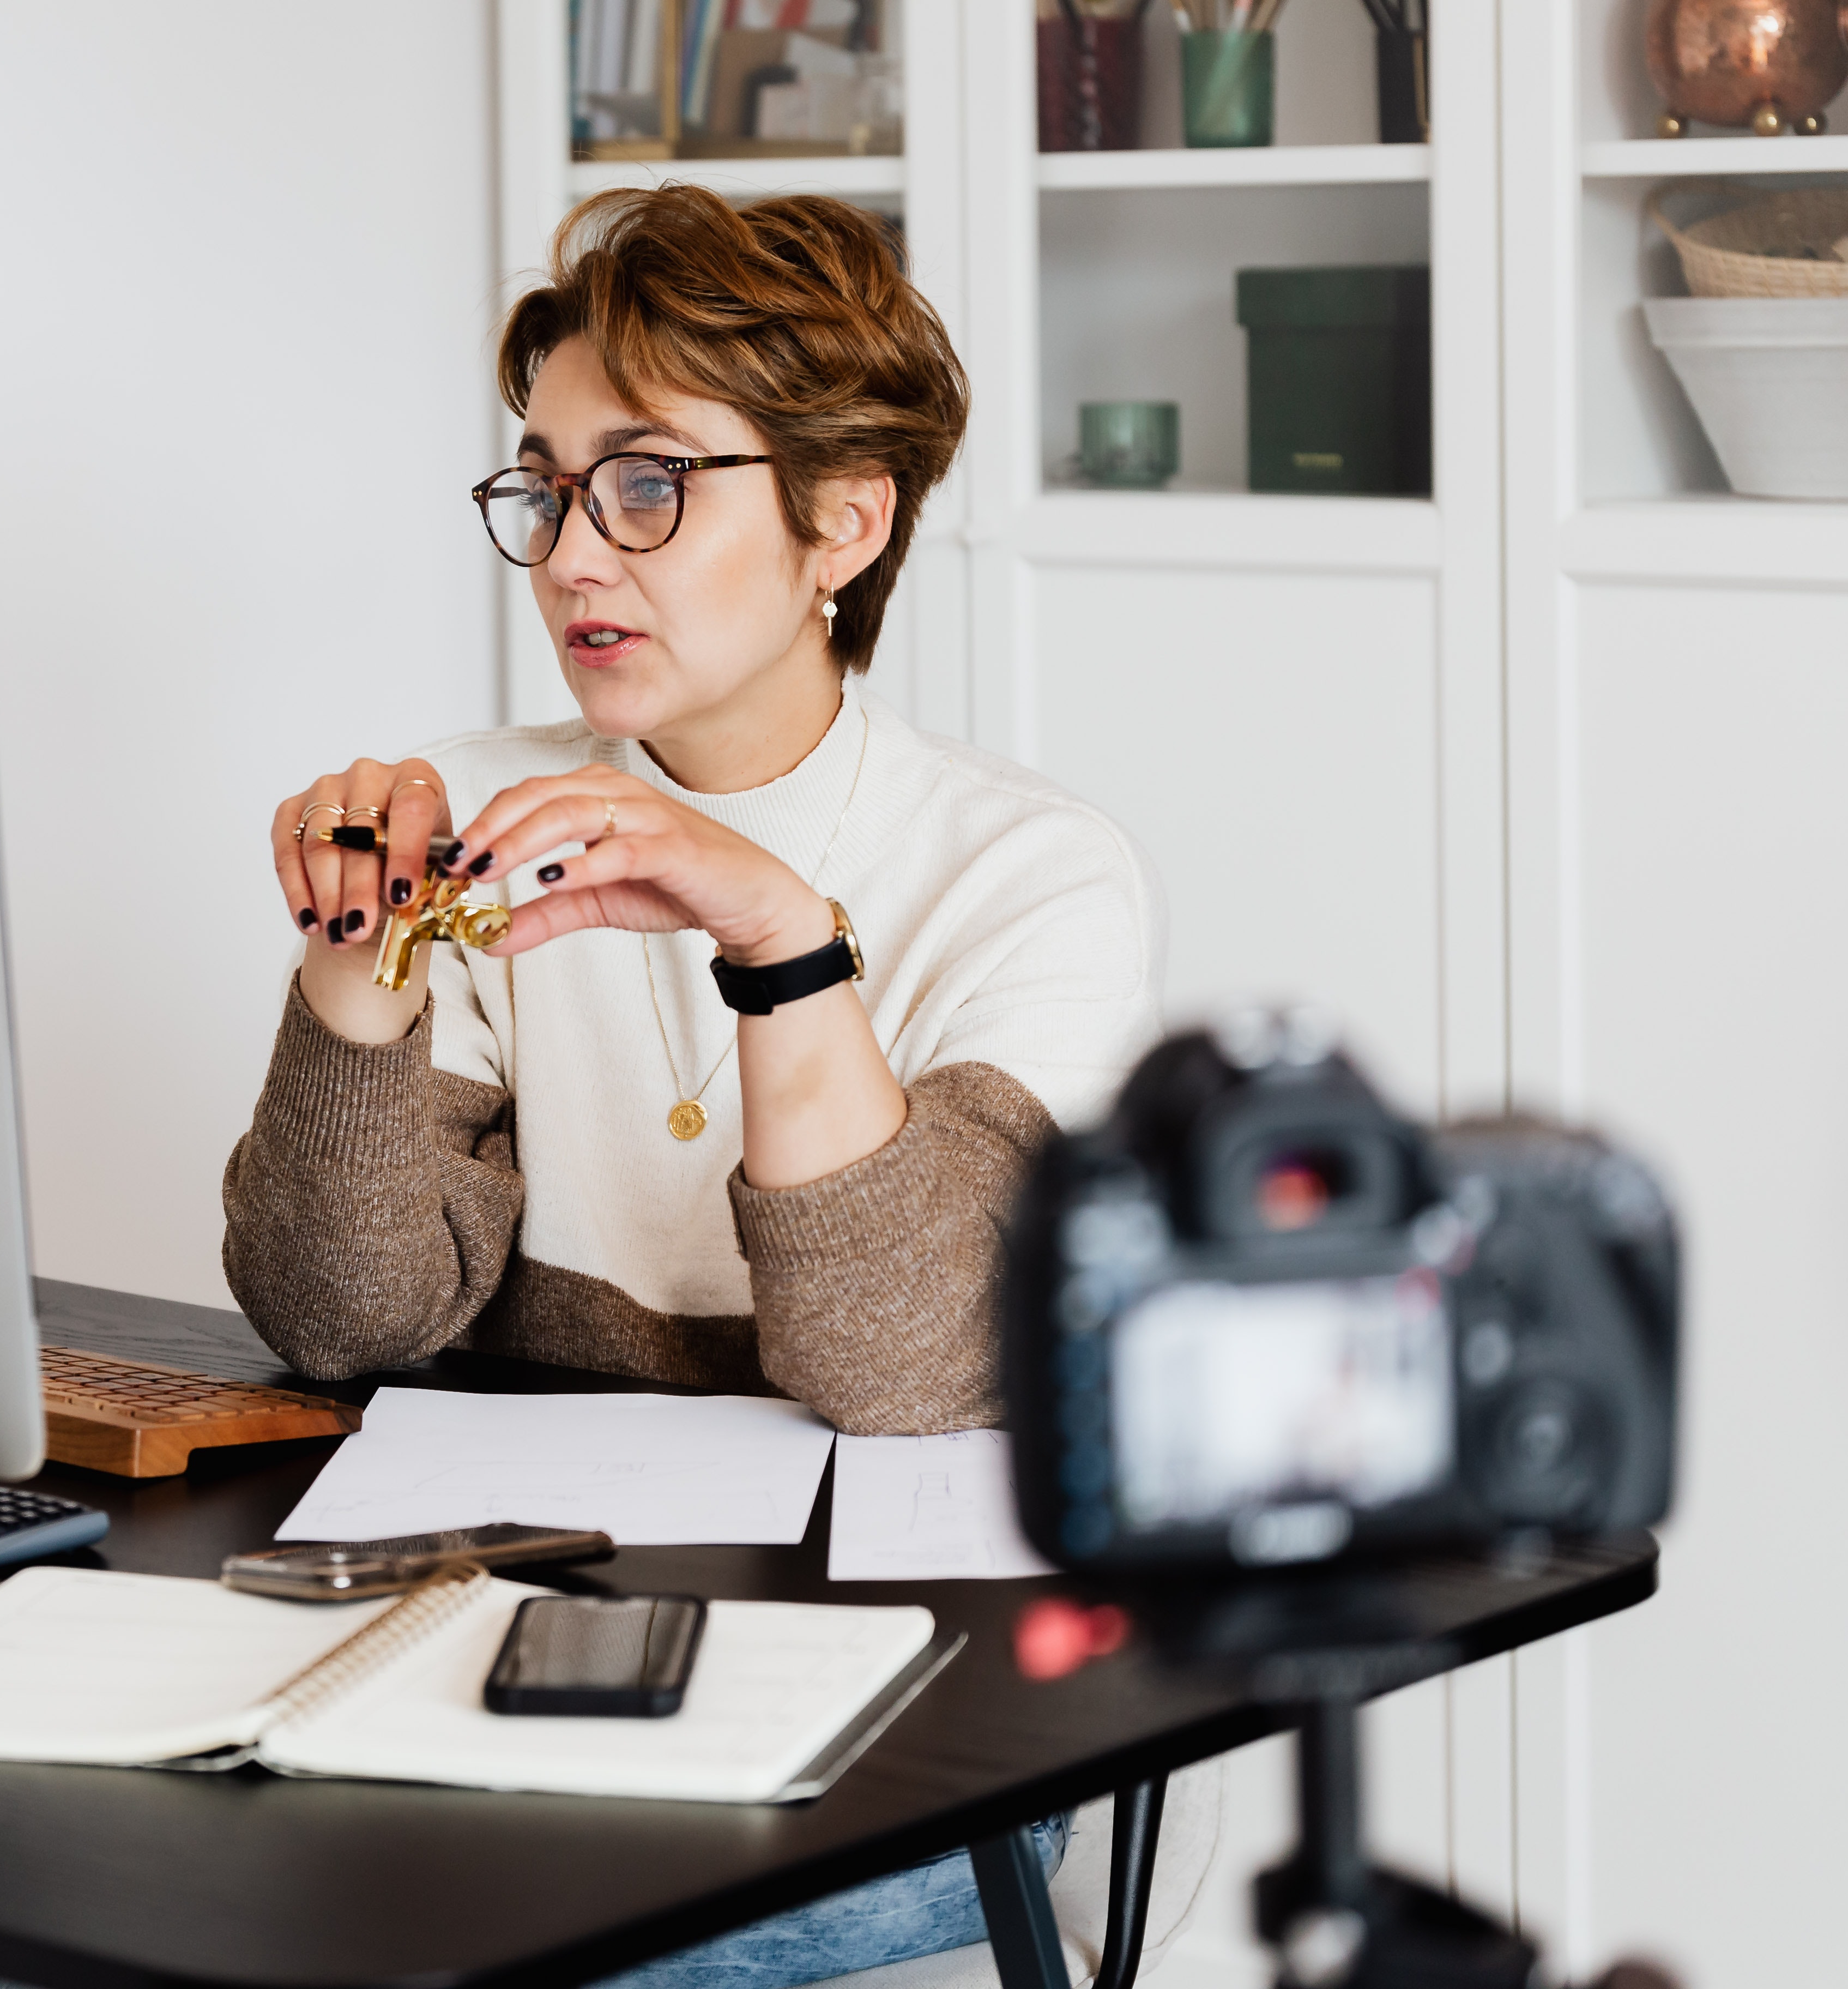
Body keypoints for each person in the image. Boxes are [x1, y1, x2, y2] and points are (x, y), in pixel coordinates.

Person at [213, 187, 1162, 1989]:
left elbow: (904, 1369)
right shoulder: (477, 817)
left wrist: (779, 939)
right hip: (511, 1647)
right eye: (548, 486)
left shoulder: (1033, 873)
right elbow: (341, 1316)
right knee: (63, 1926)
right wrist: (355, 972)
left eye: (648, 482)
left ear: (842, 522)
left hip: (921, 1713)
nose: (577, 554)